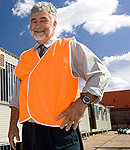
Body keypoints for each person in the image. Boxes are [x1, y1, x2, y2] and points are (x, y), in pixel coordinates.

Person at [8, 1, 111, 150]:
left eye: (43, 20)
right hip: (29, 133)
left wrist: (82, 103)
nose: (37, 25)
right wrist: (13, 125)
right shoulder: (24, 57)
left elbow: (101, 74)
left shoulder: (70, 47)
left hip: (61, 132)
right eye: (33, 21)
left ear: (54, 24)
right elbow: (16, 98)